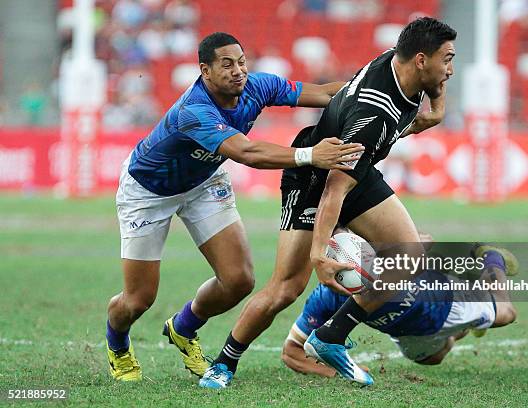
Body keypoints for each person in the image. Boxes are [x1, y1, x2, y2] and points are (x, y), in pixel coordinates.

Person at [200, 17, 455, 388]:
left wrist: (438, 105)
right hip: (316, 179)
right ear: (420, 60)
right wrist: (320, 253)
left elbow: (428, 95)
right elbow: (333, 190)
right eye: (446, 60)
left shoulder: (401, 65)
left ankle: (330, 336)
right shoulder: (374, 117)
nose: (449, 70)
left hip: (356, 172)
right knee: (286, 287)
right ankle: (223, 364)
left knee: (408, 254)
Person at [105, 32, 364, 382]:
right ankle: (118, 345)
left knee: (239, 280)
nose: (238, 71)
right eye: (226, 64)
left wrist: (375, 88)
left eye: (241, 62)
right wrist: (311, 155)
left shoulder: (258, 86)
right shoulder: (194, 110)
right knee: (138, 300)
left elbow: (325, 93)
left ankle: (183, 329)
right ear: (205, 70)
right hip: (148, 191)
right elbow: (248, 153)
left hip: (203, 183)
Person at [281, 243, 519, 377]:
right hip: (407, 332)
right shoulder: (326, 297)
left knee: (507, 312)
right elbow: (291, 352)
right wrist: (336, 373)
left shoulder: (390, 261)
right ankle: (470, 326)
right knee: (433, 358)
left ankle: (491, 257)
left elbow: (419, 245)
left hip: (445, 302)